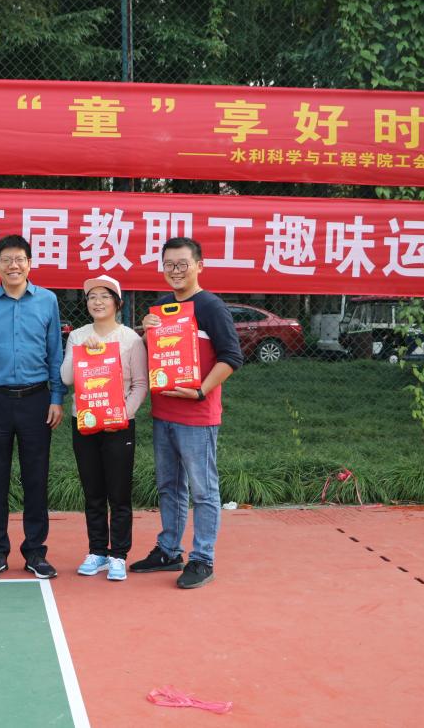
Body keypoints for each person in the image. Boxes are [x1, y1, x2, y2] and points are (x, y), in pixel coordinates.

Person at [130, 237, 244, 589]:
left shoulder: (211, 307)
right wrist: (146, 334)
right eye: (169, 265)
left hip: (197, 415)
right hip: (163, 412)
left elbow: (232, 357)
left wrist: (200, 391)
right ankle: (169, 550)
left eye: (182, 264)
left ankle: (202, 558)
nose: (175, 271)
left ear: (199, 266)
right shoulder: (162, 307)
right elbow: (155, 355)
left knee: (203, 490)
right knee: (169, 486)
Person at [0, 235, 66, 579]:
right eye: (6, 260)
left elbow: (55, 352)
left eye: (20, 259)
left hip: (37, 400)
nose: (14, 266)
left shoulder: (48, 300)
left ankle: (35, 551)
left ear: (30, 263)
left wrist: (56, 397)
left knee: (36, 477)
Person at [60, 275, 147, 582]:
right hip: (84, 422)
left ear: (117, 303)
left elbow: (140, 385)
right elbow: (66, 378)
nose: (97, 302)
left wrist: (121, 415)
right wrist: (82, 352)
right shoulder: (77, 336)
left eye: (104, 296)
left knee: (118, 493)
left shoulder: (130, 339)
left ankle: (118, 555)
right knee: (93, 491)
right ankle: (97, 550)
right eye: (92, 297)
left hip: (119, 425)